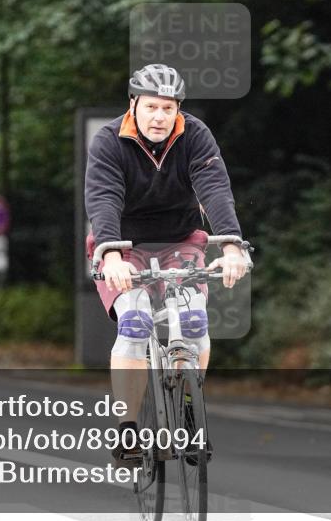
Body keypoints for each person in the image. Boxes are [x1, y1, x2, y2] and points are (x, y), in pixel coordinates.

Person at [84, 63, 249, 464]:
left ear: (179, 109)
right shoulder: (109, 140)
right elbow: (103, 197)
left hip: (180, 240)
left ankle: (192, 412)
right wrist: (109, 253)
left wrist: (230, 245)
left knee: (194, 322)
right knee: (136, 322)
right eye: (152, 107)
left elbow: (214, 188)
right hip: (124, 246)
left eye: (169, 108)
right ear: (133, 104)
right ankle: (128, 429)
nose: (160, 117)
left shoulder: (195, 135)